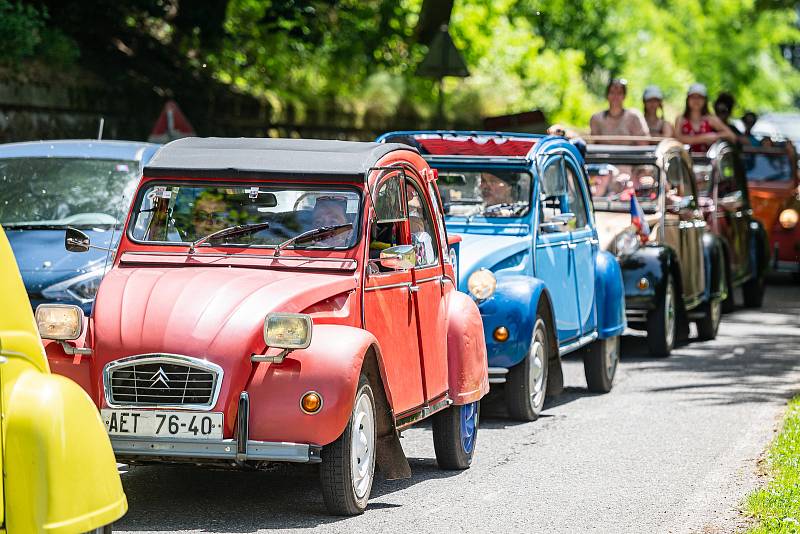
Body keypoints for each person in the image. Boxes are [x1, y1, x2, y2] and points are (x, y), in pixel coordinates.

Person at [675, 83, 736, 153]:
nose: (696, 100)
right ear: (688, 99)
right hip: (685, 161)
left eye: (700, 97)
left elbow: (731, 136)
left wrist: (715, 136)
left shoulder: (711, 119)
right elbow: (677, 139)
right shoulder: (681, 119)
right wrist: (704, 138)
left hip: (707, 161)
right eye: (693, 97)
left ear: (705, 100)